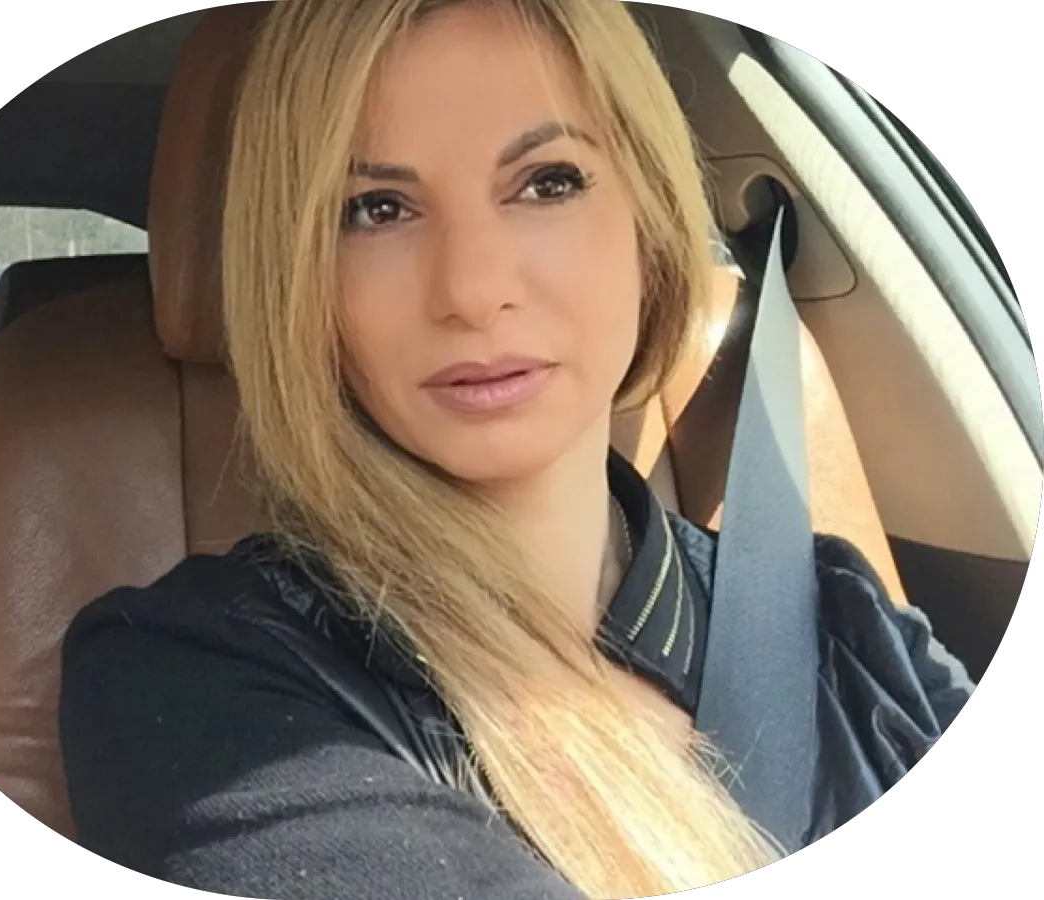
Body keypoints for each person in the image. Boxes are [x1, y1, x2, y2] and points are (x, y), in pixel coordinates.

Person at [58, 1, 976, 898]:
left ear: (650, 220)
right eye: (376, 208)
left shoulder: (845, 629)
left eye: (548, 183)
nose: (472, 289)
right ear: (299, 280)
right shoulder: (182, 678)